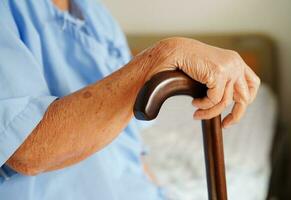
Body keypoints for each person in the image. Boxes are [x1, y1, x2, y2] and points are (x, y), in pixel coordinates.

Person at [0, 0, 260, 199]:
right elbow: (27, 150)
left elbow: (129, 145)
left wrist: (157, 191)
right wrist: (164, 55)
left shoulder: (95, 15)